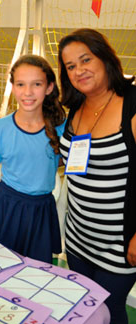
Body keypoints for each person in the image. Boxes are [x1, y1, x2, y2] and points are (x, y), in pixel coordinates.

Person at [58, 28, 136, 324]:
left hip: (119, 244)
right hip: (78, 238)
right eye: (71, 66)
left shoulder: (131, 102)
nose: (79, 70)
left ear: (104, 58)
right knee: (85, 309)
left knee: (110, 310)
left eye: (85, 60)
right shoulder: (75, 106)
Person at [0, 54, 66, 263]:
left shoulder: (60, 128)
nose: (28, 92)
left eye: (36, 84)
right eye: (20, 84)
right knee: (2, 266)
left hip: (41, 211)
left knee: (37, 271)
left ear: (49, 87)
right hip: (7, 207)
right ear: (13, 87)